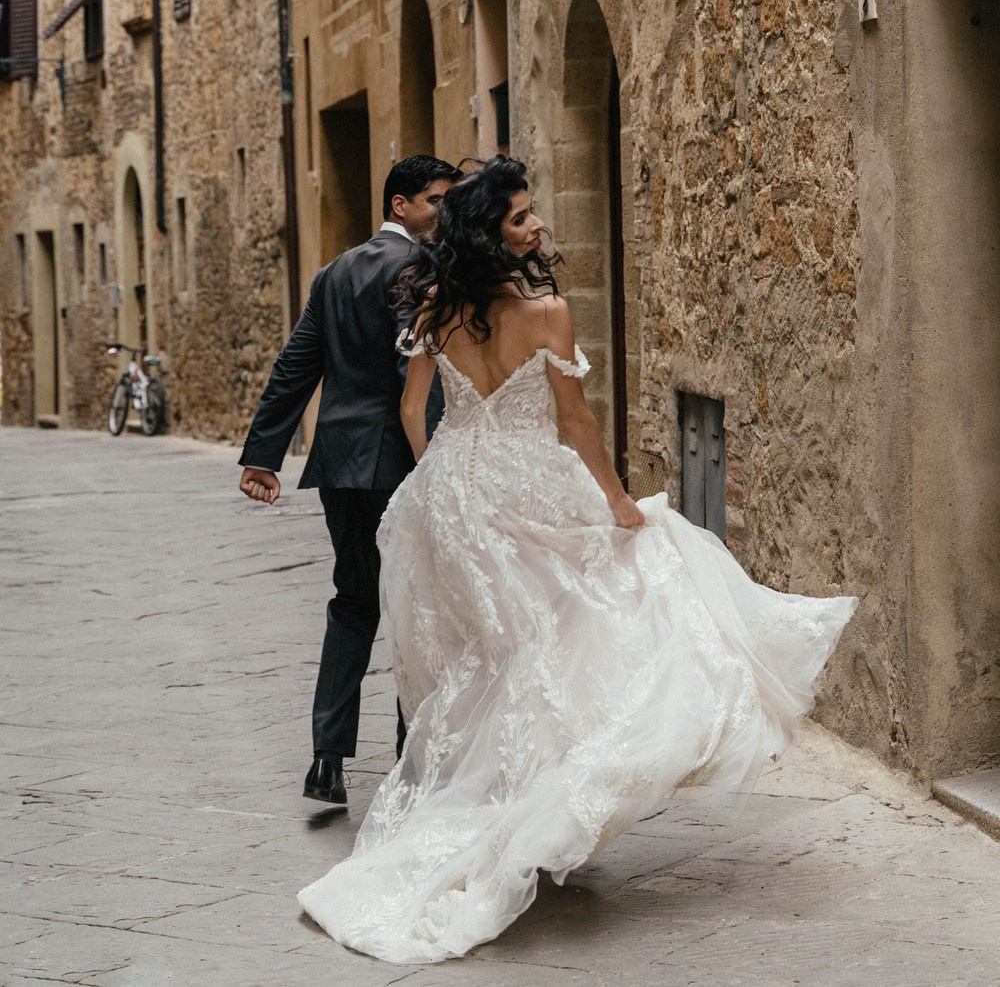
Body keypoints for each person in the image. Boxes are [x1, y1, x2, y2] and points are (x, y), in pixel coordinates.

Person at [295, 155, 858, 962]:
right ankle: (536, 814)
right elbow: (579, 423)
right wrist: (621, 500)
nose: (538, 225)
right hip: (527, 485)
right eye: (522, 217)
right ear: (493, 235)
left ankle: (502, 808)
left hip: (452, 494)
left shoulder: (432, 306)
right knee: (577, 625)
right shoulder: (548, 313)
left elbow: (415, 410)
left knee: (491, 656)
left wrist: (442, 480)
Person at [238, 154, 458, 808]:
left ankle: (325, 761)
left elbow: (296, 363)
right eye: (435, 201)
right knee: (413, 605)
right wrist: (438, 457)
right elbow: (408, 371)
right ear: (400, 206)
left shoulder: (334, 273)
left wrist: (263, 455)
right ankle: (407, 758)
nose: (444, 213)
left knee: (354, 601)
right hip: (397, 461)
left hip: (339, 463)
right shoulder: (419, 269)